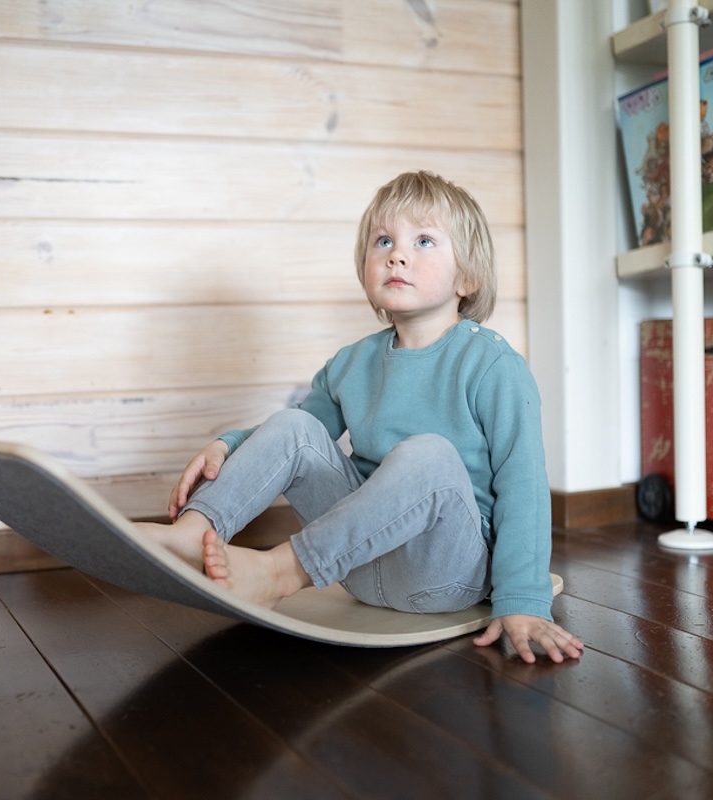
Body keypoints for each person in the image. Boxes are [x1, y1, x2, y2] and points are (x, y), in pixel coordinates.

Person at [136, 171, 582, 663]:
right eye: (384, 240)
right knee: (295, 425)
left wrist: (522, 601)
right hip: (359, 566)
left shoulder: (493, 365)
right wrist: (229, 444)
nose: (397, 254)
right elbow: (292, 439)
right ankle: (191, 535)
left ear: (468, 278)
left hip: (447, 573)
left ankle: (283, 571)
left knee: (427, 454)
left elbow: (525, 486)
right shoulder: (352, 363)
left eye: (424, 240)